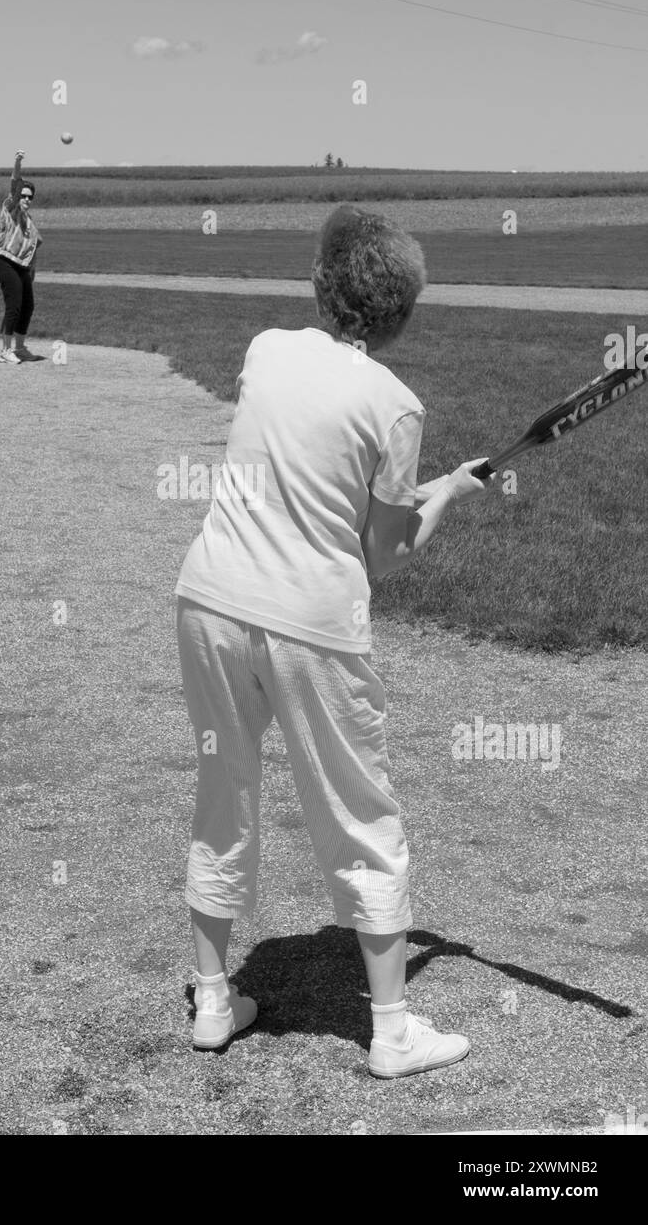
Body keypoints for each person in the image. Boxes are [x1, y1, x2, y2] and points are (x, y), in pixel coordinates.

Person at [175, 205, 498, 1077]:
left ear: (323, 285)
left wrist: (445, 485)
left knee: (221, 795)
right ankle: (391, 1031)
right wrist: (447, 499)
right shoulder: (396, 404)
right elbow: (381, 555)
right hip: (310, 625)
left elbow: (317, 489)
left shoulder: (267, 349)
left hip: (207, 599)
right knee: (361, 812)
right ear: (401, 309)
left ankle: (212, 1004)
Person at [0, 150, 44, 363]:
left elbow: (37, 243)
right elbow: (15, 182)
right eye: (23, 195)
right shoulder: (11, 207)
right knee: (14, 304)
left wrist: (32, 268)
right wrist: (17, 162)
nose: (25, 198)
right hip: (4, 260)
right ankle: (5, 351)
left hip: (22, 266)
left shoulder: (29, 222)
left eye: (29, 197)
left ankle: (20, 348)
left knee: (28, 305)